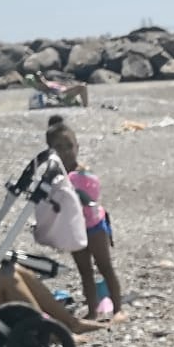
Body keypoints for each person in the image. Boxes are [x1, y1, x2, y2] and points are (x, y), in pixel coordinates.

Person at [46, 116, 124, 318]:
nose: (65, 151)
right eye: (58, 147)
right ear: (50, 151)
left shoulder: (83, 174)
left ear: (77, 147)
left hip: (94, 225)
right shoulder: (53, 177)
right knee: (85, 272)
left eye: (69, 146)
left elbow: (90, 198)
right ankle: (92, 311)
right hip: (74, 229)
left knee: (105, 267)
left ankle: (118, 309)